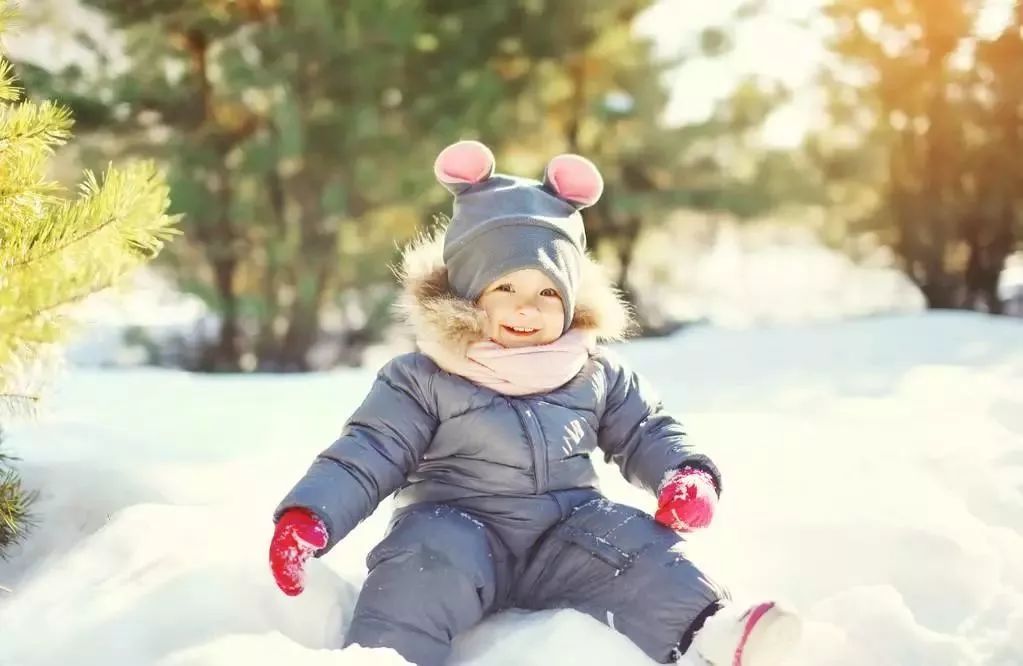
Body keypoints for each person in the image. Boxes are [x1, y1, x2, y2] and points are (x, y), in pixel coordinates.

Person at [268, 140, 802, 665]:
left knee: (638, 545)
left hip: (568, 532)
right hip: (454, 527)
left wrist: (684, 474)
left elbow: (645, 429)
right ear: (470, 294)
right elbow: (368, 452)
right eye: (505, 289)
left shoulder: (591, 370)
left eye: (548, 293)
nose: (527, 308)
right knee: (418, 570)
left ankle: (712, 631)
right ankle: (385, 659)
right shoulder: (423, 377)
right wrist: (311, 516)